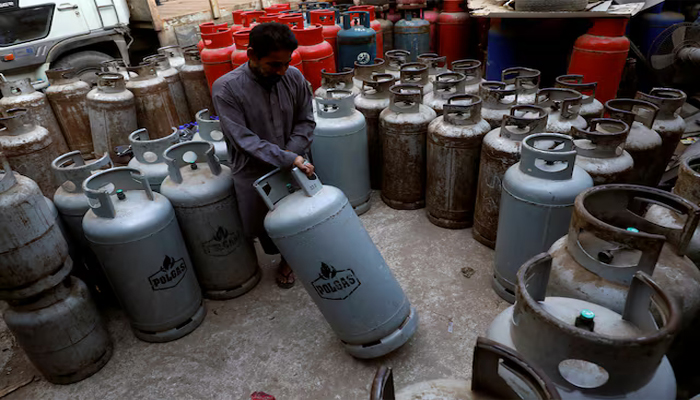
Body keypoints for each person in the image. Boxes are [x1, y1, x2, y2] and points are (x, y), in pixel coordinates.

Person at [212, 22, 315, 288]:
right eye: (274, 64)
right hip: (253, 168)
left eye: (286, 63)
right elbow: (243, 139)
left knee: (303, 212)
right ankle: (284, 256)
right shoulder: (226, 89)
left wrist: (290, 155)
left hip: (295, 160)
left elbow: (306, 121)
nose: (282, 71)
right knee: (267, 222)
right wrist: (287, 158)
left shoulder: (293, 77)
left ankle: (291, 259)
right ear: (251, 55)